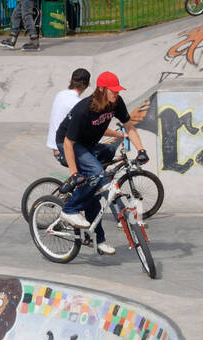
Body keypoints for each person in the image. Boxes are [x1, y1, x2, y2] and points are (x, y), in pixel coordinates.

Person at [56, 71, 148, 254]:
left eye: (117, 90)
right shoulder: (85, 108)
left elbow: (129, 126)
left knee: (95, 193)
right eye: (112, 91)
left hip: (89, 145)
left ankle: (98, 239)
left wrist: (141, 150)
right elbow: (67, 142)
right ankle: (70, 209)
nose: (116, 94)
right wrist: (74, 174)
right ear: (101, 89)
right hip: (68, 143)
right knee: (97, 172)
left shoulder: (116, 103)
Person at [47, 68, 91, 164]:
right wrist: (117, 134)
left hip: (55, 148)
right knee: (100, 157)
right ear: (87, 85)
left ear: (70, 80)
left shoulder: (60, 94)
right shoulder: (78, 104)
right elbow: (90, 126)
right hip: (64, 151)